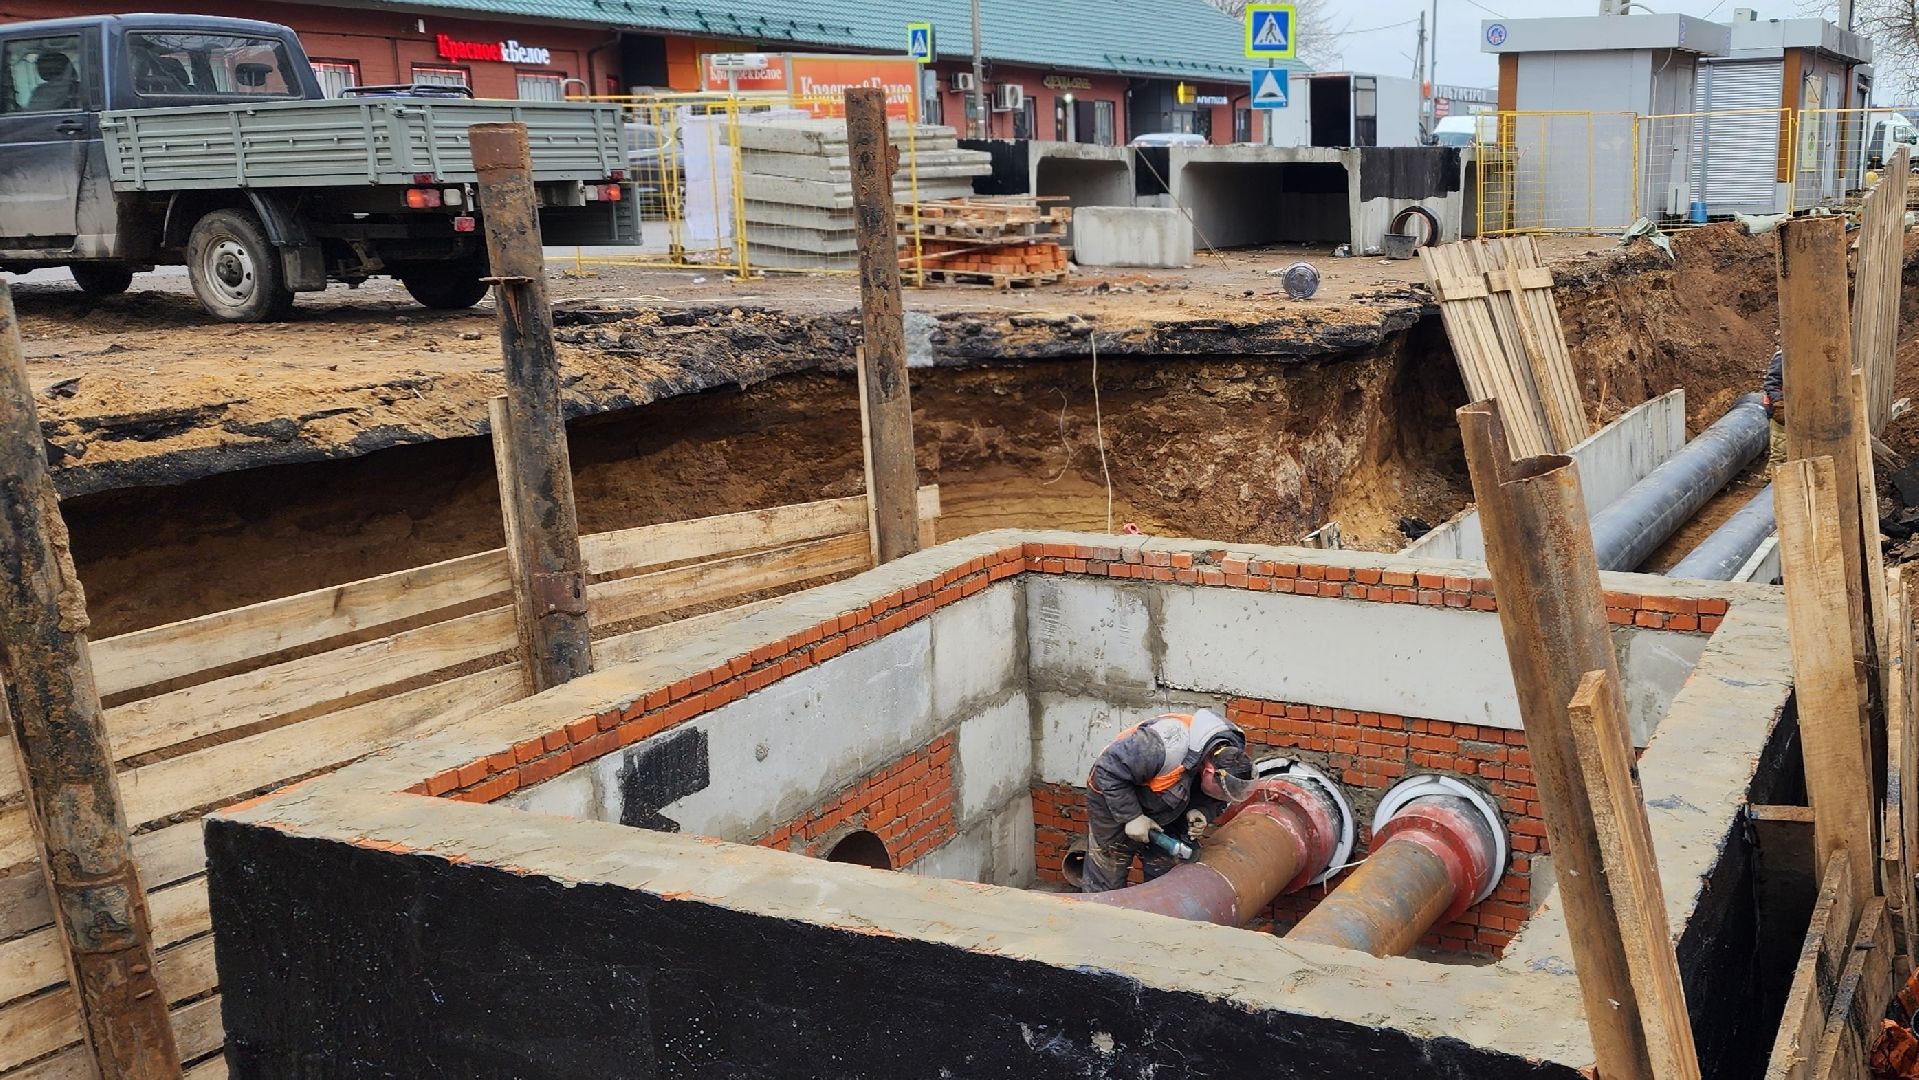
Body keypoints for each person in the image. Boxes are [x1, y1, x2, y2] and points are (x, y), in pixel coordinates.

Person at [1081, 708, 1256, 894]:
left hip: (1164, 801)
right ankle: (1101, 912)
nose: (1223, 799)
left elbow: (1220, 793)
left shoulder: (1233, 756)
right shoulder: (1163, 745)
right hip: (1113, 794)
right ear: (1209, 772)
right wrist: (1132, 817)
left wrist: (1203, 810)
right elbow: (1107, 769)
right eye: (1222, 795)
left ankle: (1155, 914)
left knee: (1165, 869)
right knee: (1110, 866)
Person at [1762, 344, 1785, 471]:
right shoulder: (1783, 356)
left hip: (1798, 410)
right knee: (1780, 455)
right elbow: (1771, 384)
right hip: (1781, 413)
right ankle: (1770, 482)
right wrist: (1779, 404)